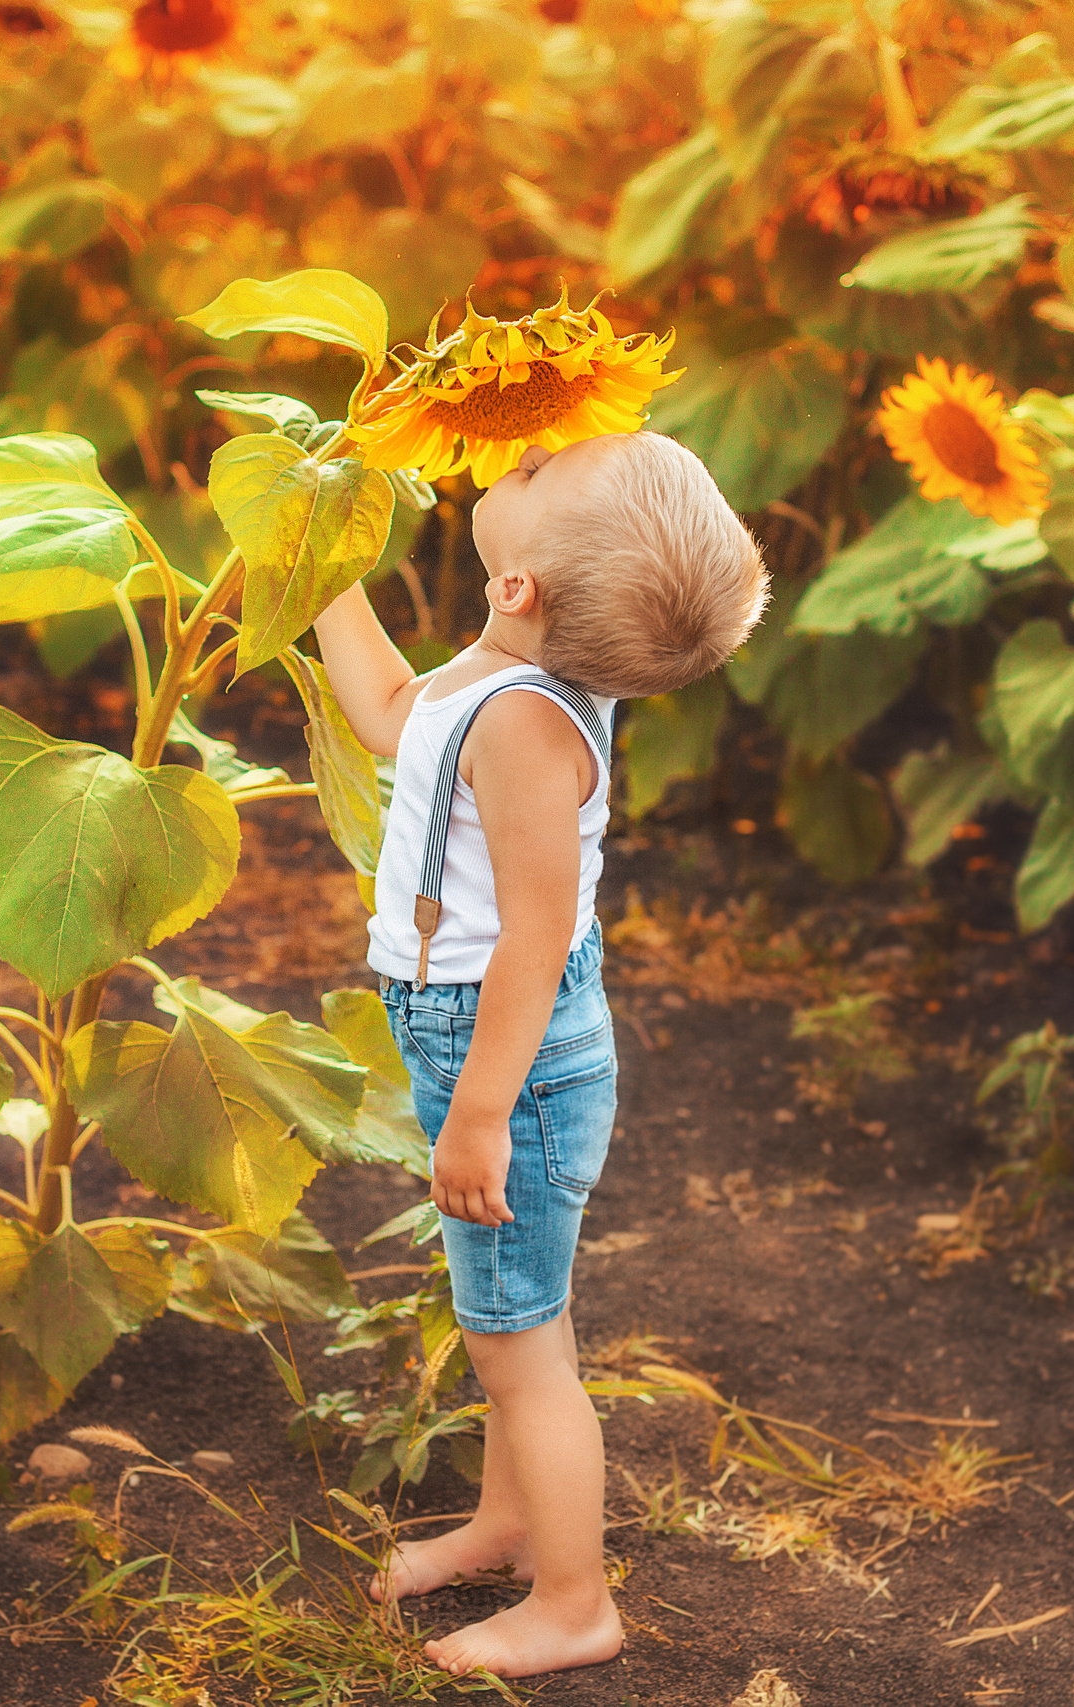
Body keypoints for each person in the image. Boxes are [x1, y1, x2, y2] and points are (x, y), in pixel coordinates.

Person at [309, 430, 768, 1678]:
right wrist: (319, 571)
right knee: (525, 1318)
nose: (512, 461)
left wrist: (478, 1111)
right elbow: (395, 719)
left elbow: (533, 932)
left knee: (522, 1356)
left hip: (500, 1049)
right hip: (488, 1039)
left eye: (526, 475)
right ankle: (511, 1523)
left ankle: (573, 1602)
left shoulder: (523, 723)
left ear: (519, 589)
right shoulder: (514, 663)